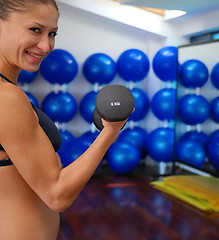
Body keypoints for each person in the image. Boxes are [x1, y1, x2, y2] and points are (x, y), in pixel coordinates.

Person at [0, 1, 127, 239]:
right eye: (35, 30)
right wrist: (110, 131)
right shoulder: (6, 97)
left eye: (52, 33)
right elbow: (57, 195)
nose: (46, 45)